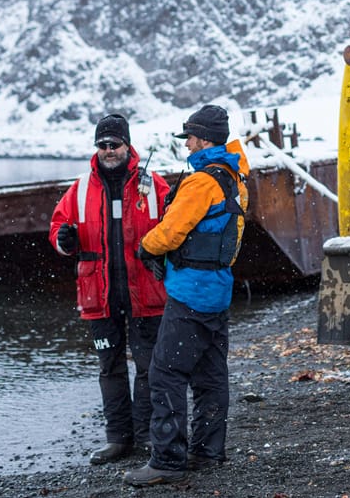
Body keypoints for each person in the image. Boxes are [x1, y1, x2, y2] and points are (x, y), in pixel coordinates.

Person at [124, 105, 249, 486]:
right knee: (211, 376)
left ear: (204, 139)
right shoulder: (235, 178)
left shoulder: (200, 182)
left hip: (190, 293)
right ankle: (208, 451)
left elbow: (171, 232)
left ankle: (167, 461)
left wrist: (146, 247)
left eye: (191, 137)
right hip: (218, 290)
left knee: (165, 373)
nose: (188, 143)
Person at [49, 113, 171, 465]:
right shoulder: (81, 187)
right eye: (101, 145)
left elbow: (175, 226)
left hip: (146, 294)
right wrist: (63, 239)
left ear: (127, 145)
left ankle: (147, 434)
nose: (107, 150)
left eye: (114, 144)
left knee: (149, 366)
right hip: (99, 296)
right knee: (110, 368)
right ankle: (119, 439)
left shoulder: (153, 185)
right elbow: (58, 226)